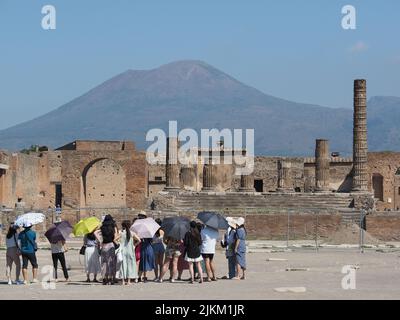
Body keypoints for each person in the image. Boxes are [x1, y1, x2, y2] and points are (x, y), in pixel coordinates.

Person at [96, 214, 120, 285]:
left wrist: (100, 240)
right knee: (111, 263)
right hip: (111, 245)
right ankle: (110, 278)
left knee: (104, 263)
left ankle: (104, 278)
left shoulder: (102, 227)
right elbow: (115, 237)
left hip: (104, 245)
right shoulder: (113, 227)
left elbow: (95, 233)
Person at [119, 220, 140, 285]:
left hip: (123, 251)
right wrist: (134, 245)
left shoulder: (121, 233)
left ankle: (122, 281)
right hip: (130, 251)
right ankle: (128, 281)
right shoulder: (132, 233)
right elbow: (139, 240)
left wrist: (119, 244)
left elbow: (115, 239)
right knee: (130, 265)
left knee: (123, 265)